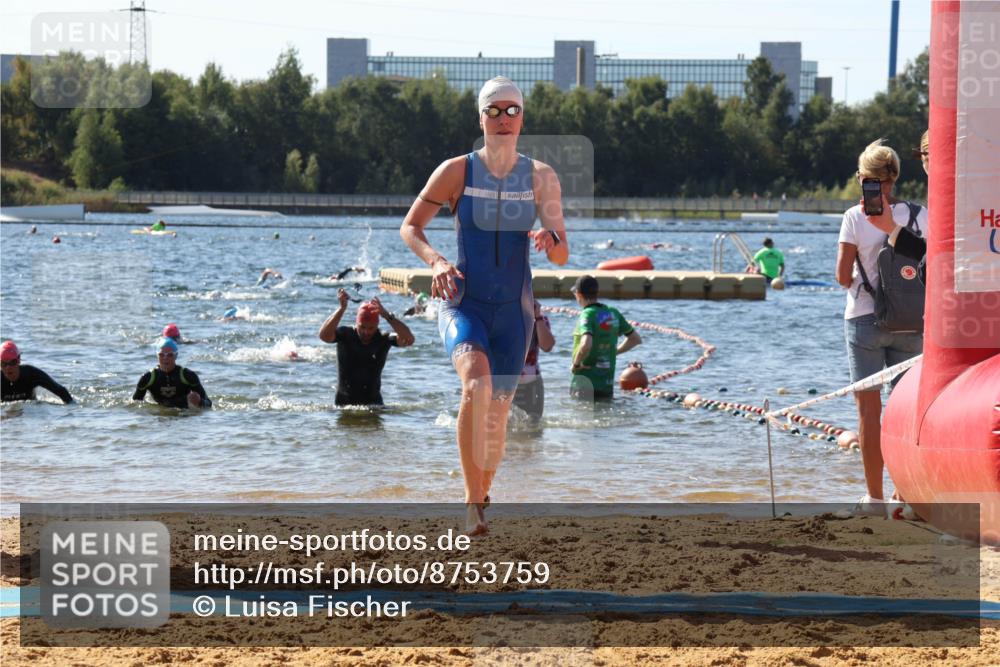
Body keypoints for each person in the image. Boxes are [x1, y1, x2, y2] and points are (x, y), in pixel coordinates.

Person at [400, 76, 569, 535]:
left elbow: (561, 253)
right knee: (475, 385)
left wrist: (547, 236)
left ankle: (481, 492)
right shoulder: (456, 171)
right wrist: (435, 261)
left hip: (515, 315)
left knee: (496, 422)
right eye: (493, 111)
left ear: (523, 118)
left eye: (511, 110)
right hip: (464, 303)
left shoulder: (540, 177)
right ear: (480, 118)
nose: (502, 119)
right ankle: (472, 504)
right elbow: (410, 228)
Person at [835, 138, 928, 517]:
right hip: (912, 322)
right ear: (896, 178)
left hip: (864, 320)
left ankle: (874, 500)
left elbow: (842, 277)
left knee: (868, 414)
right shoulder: (922, 215)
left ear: (863, 179)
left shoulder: (855, 217)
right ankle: (903, 495)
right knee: (905, 412)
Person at [318, 290, 414, 406]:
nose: (366, 332)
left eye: (371, 328)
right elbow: (324, 336)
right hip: (344, 405)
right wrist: (341, 309)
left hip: (374, 405)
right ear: (356, 323)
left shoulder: (383, 338)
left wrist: (387, 316)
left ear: (377, 325)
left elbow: (408, 339)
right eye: (362, 327)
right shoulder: (345, 335)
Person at [569, 275, 642, 400]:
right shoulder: (613, 312)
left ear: (579, 295)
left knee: (582, 416)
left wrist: (576, 365)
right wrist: (614, 352)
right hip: (606, 385)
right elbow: (635, 339)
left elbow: (586, 343)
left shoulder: (587, 314)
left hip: (584, 384)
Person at [132, 337, 212, 409]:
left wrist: (200, 402)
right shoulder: (147, 378)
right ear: (157, 356)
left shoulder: (188, 375)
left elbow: (209, 403)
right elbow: (135, 404)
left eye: (169, 355)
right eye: (161, 355)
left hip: (183, 414)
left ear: (176, 356)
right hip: (159, 416)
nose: (165, 358)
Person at [512, 300, 555, 424]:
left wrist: (538, 317)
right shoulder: (501, 318)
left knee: (534, 427)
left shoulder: (539, 320)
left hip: (532, 384)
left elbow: (547, 346)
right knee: (505, 431)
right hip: (505, 384)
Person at [1, 341, 73, 403]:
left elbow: (61, 391)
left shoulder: (30, 374)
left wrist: (72, 411)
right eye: (3, 364)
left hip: (30, 413)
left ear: (19, 360)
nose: (8, 367)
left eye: (12, 362)